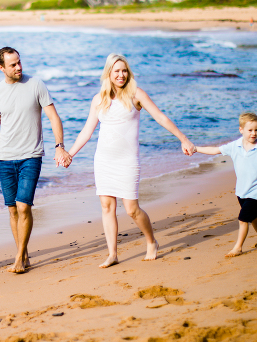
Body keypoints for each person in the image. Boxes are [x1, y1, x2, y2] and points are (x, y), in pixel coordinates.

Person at [67, 54, 194, 268]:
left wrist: (183, 139)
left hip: (127, 161)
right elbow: (87, 131)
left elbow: (161, 117)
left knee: (131, 209)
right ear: (108, 73)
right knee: (107, 206)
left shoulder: (136, 94)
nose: (121, 75)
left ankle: (151, 242)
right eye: (116, 71)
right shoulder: (99, 99)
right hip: (104, 160)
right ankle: (112, 254)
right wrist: (70, 153)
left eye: (124, 70)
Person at [0, 47, 71, 273]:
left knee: (23, 206)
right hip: (5, 159)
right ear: (1, 68)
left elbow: (54, 117)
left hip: (31, 156)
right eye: (12, 65)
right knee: (12, 209)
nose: (18, 67)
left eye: (19, 62)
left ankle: (19, 259)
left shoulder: (36, 85)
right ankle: (24, 253)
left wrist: (59, 147)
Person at [194, 112, 257, 257]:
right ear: (241, 130)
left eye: (256, 130)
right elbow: (215, 150)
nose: (254, 133)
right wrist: (196, 149)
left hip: (255, 193)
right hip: (241, 192)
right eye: (250, 130)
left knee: (243, 219)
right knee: (252, 218)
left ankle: (238, 247)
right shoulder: (235, 146)